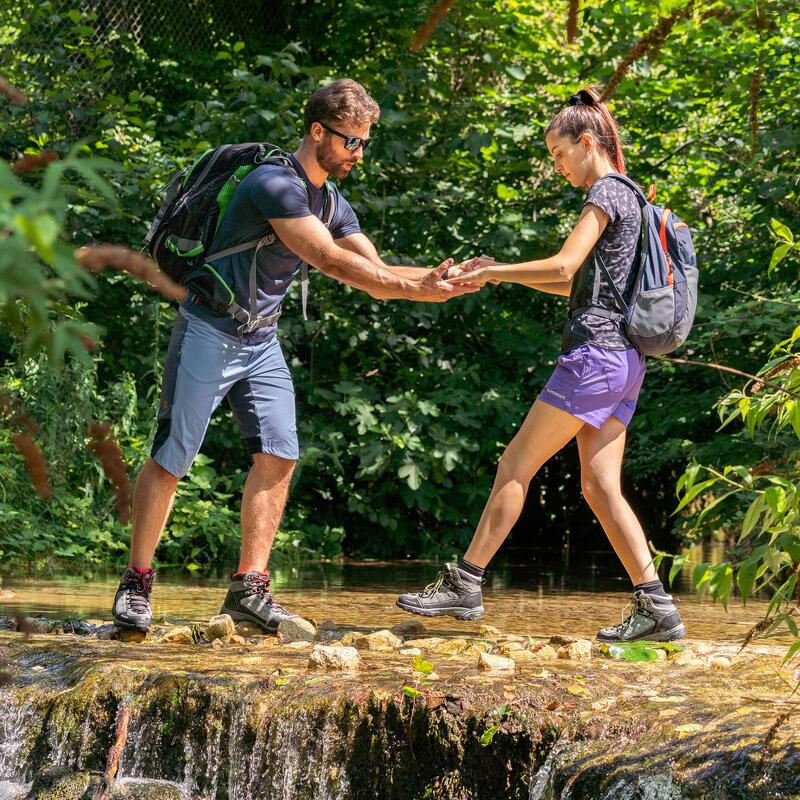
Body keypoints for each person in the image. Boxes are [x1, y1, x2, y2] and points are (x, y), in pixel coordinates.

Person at [112, 78, 476, 634]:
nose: (359, 154)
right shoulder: (274, 184)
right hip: (210, 327)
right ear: (317, 132)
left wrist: (432, 280)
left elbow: (376, 273)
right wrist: (413, 288)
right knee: (174, 454)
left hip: (261, 342)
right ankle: (137, 583)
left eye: (364, 143)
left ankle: (248, 588)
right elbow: (327, 259)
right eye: (351, 141)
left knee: (279, 455)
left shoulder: (332, 200)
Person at [395, 87, 686, 643]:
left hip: (594, 357)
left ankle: (466, 582)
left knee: (514, 466)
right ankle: (658, 608)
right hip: (626, 362)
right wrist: (499, 272)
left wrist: (496, 270)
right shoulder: (636, 200)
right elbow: (573, 284)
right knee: (601, 487)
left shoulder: (606, 191)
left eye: (558, 154)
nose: (557, 167)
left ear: (586, 142)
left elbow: (562, 265)